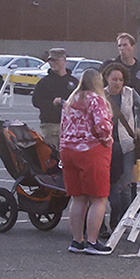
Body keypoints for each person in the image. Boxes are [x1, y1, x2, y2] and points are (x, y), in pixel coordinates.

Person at [58, 70, 115, 254]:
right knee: (98, 198)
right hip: (91, 150)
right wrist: (107, 141)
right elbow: (103, 126)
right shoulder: (95, 99)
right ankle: (92, 241)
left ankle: (77, 240)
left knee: (78, 197)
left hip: (68, 150)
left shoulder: (70, 100)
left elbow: (62, 127)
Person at [102, 63, 140, 228]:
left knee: (126, 184)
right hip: (107, 145)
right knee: (110, 183)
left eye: (120, 79)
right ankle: (106, 223)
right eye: (114, 79)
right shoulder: (101, 94)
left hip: (126, 144)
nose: (117, 83)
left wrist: (138, 126)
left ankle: (121, 221)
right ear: (107, 78)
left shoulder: (130, 93)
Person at [32, 48, 76, 148]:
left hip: (71, 126)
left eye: (56, 60)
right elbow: (36, 101)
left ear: (64, 61)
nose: (53, 63)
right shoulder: (44, 82)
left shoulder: (74, 82)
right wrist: (52, 103)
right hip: (51, 126)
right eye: (51, 60)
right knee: (53, 156)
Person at [113, 33, 140, 109]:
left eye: (125, 45)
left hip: (135, 113)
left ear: (133, 47)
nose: (122, 48)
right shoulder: (110, 67)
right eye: (119, 46)